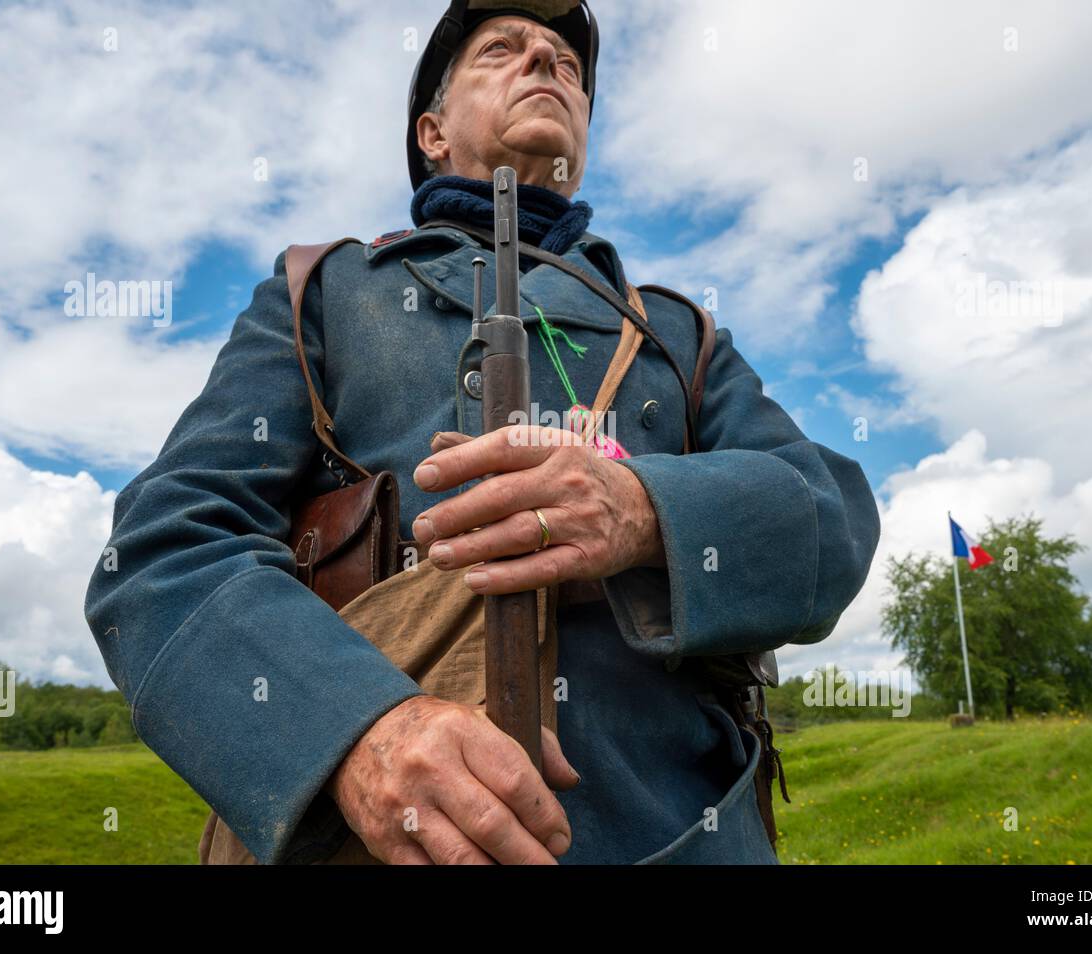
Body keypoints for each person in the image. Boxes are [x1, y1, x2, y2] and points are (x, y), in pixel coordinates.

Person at [84, 0, 880, 865]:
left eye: (567, 67)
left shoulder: (678, 334)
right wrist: (355, 734)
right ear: (432, 130)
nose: (545, 62)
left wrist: (645, 510)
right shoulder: (324, 291)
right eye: (502, 49)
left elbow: (829, 517)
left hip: (681, 832)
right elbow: (163, 553)